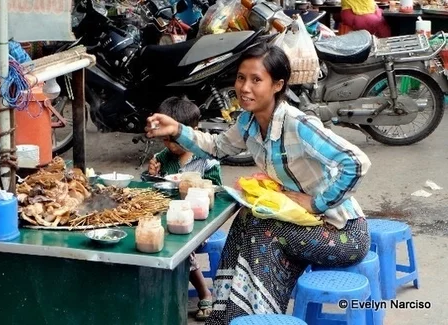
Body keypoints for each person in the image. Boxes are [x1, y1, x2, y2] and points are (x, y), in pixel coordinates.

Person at [145, 43, 371, 324]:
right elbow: (216, 147)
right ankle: (227, 318)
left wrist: (317, 202)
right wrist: (178, 130)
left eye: (256, 80)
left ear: (277, 85)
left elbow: (356, 162)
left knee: (264, 230)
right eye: (241, 78)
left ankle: (259, 316)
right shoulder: (248, 122)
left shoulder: (297, 124)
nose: (245, 88)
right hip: (303, 225)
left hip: (342, 233)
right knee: (246, 218)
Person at [146, 96, 221, 321]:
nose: (170, 145)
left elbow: (216, 190)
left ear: (192, 131)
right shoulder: (163, 157)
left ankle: (204, 292)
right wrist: (153, 175)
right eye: (166, 140)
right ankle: (163, 290)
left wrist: (194, 187)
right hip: (169, 216)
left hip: (199, 222)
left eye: (175, 140)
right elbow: (156, 190)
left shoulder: (207, 159)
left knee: (181, 249)